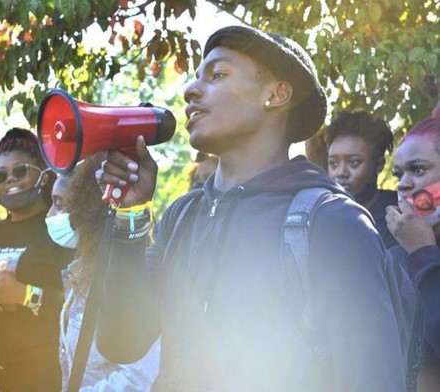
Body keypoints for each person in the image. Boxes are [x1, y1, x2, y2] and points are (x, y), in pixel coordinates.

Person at [95, 25, 406, 391]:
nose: (190, 90)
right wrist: (130, 215)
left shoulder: (333, 222)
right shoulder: (181, 217)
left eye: (218, 75)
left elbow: (375, 380)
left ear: (276, 94)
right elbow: (121, 342)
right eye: (196, 78)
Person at [0, 128, 73, 391]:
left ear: (43, 174)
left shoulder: (59, 231)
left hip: (48, 377)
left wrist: (24, 294)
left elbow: (77, 306)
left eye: (20, 171)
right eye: (1, 175)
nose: (10, 180)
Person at [46, 154, 160, 391]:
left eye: (58, 203)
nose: (49, 215)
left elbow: (140, 377)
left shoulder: (130, 277)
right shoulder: (80, 272)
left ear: (89, 206)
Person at [386, 113, 440, 392]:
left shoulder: (417, 252)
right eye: (399, 173)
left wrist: (423, 254)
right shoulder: (393, 257)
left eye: (418, 170)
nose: (403, 183)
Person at [326, 110, 398, 247]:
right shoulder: (321, 215)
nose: (340, 173)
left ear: (379, 165)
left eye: (354, 162)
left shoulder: (398, 217)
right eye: (333, 164)